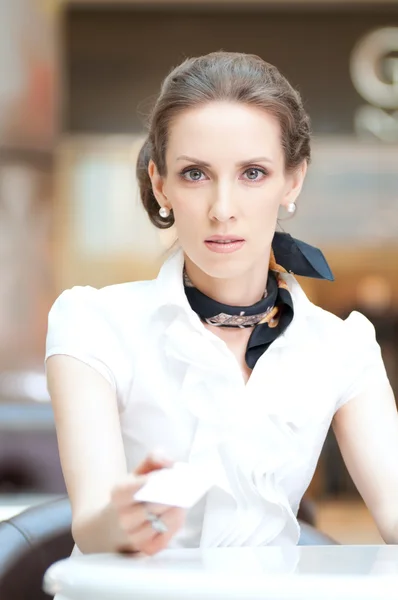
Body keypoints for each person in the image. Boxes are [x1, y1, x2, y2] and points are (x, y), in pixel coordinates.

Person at [45, 52, 398, 558]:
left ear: (292, 181)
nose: (223, 209)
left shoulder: (343, 347)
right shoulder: (93, 324)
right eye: (195, 174)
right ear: (160, 183)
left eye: (253, 173)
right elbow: (92, 526)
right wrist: (128, 520)